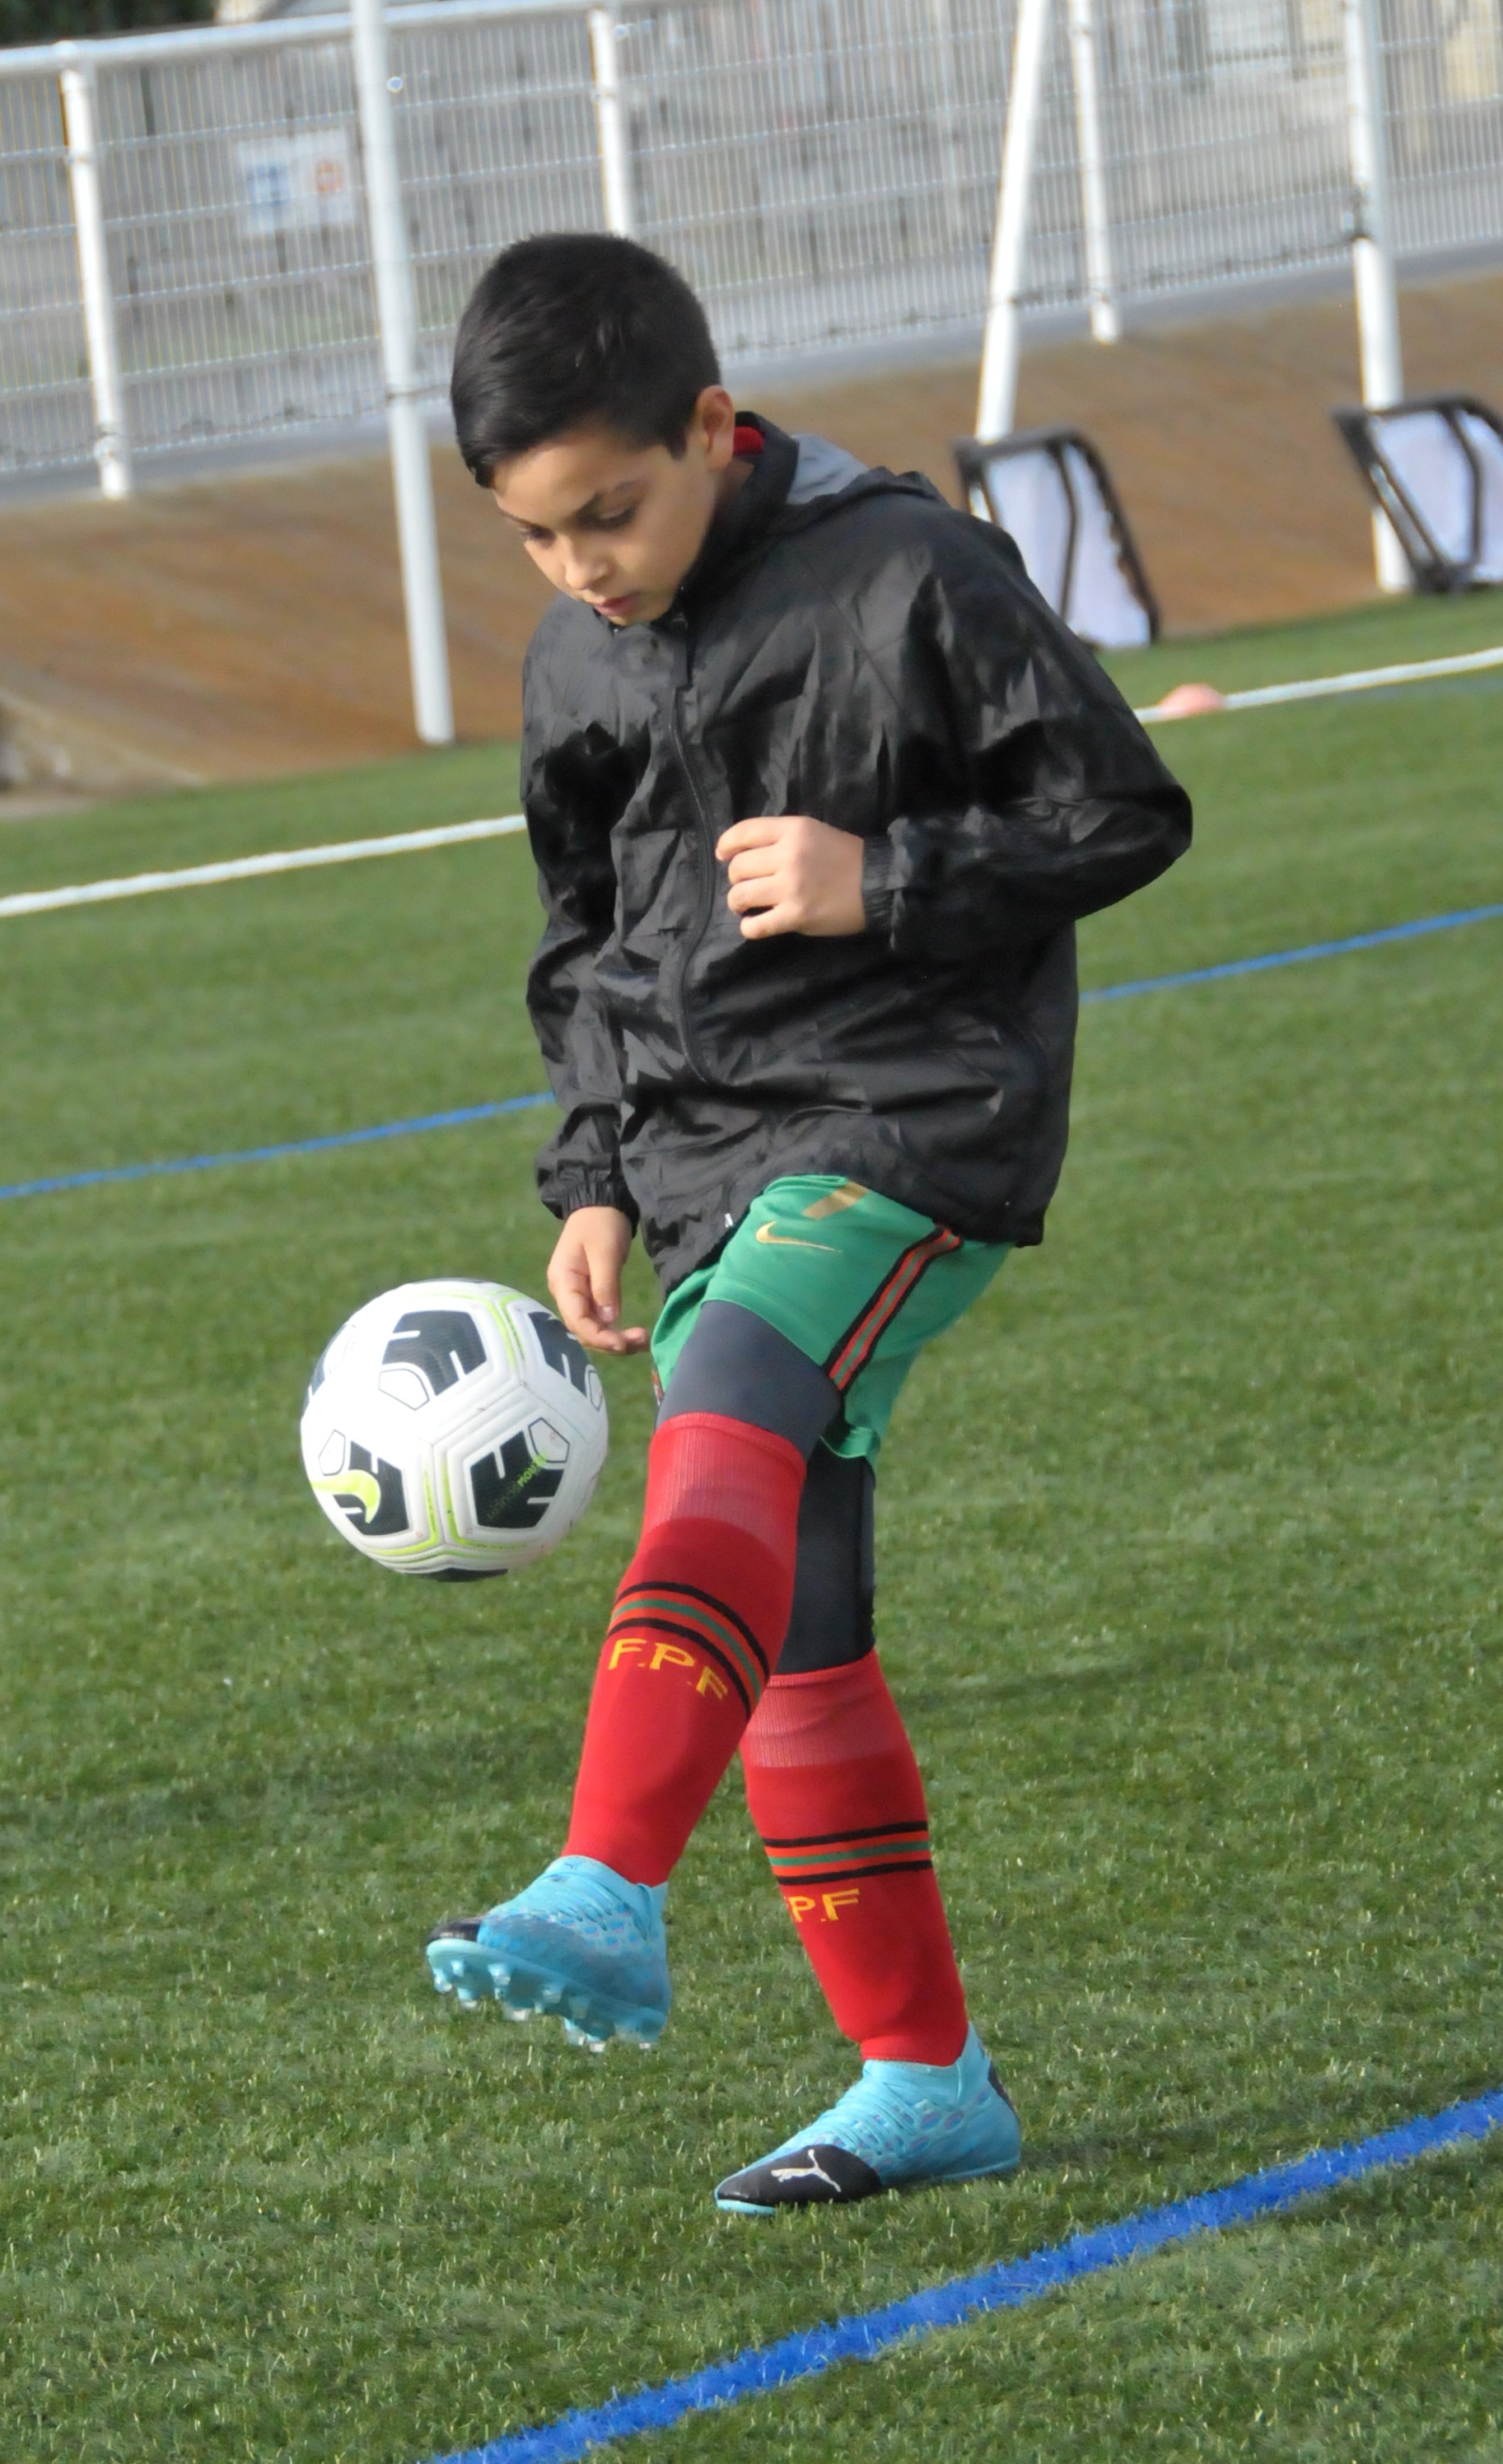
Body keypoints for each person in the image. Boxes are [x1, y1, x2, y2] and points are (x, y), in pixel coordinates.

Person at [423, 234, 1192, 2214]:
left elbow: (1121, 809)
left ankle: (606, 1875)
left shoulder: (906, 572)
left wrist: (887, 874)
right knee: (807, 1614)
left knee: (736, 1395)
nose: (583, 566)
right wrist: (591, 1169)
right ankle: (925, 2079)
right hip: (702, 1150)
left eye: (613, 511)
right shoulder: (577, 652)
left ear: (711, 424)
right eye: (534, 538)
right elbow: (587, 940)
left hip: (916, 1110)